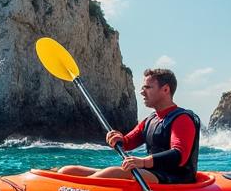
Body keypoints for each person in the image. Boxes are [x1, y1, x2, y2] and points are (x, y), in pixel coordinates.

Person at [58, 68, 201, 184]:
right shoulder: (150, 120)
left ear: (165, 90)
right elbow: (127, 143)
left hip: (176, 178)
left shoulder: (182, 119)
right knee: (69, 170)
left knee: (118, 172)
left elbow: (179, 156)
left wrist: (143, 162)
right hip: (153, 173)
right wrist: (117, 139)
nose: (142, 92)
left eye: (148, 87)